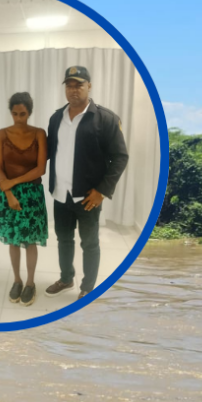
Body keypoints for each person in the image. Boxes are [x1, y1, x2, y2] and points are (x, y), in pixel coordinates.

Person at [44, 66, 130, 300]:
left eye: (79, 85)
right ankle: (66, 278)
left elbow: (120, 157)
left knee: (89, 243)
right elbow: (49, 152)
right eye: (69, 85)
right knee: (63, 239)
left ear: (89, 86)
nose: (74, 90)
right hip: (61, 194)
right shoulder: (56, 118)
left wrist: (102, 191)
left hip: (88, 197)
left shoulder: (105, 118)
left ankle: (88, 286)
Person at [0, 92, 49, 306]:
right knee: (13, 240)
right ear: (11, 113)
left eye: (23, 114)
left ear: (30, 112)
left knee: (30, 240)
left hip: (32, 194)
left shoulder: (39, 134)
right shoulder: (2, 134)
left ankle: (30, 282)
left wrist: (13, 183)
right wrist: (8, 192)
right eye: (15, 114)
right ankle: (16, 280)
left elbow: (40, 169)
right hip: (7, 193)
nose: (19, 118)